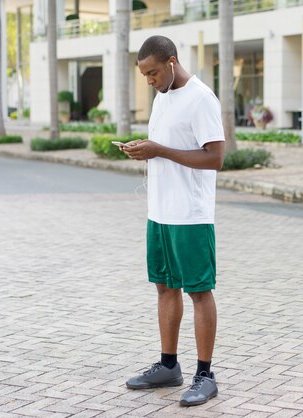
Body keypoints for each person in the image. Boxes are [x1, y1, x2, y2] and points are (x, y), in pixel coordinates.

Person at [122, 35, 225, 407]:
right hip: (160, 212)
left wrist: (159, 150)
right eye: (144, 76)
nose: (149, 81)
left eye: (152, 73)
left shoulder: (201, 98)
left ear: (171, 61)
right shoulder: (162, 97)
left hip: (190, 215)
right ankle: (168, 366)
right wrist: (144, 150)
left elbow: (215, 158)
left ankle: (205, 374)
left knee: (199, 291)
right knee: (165, 288)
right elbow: (166, 146)